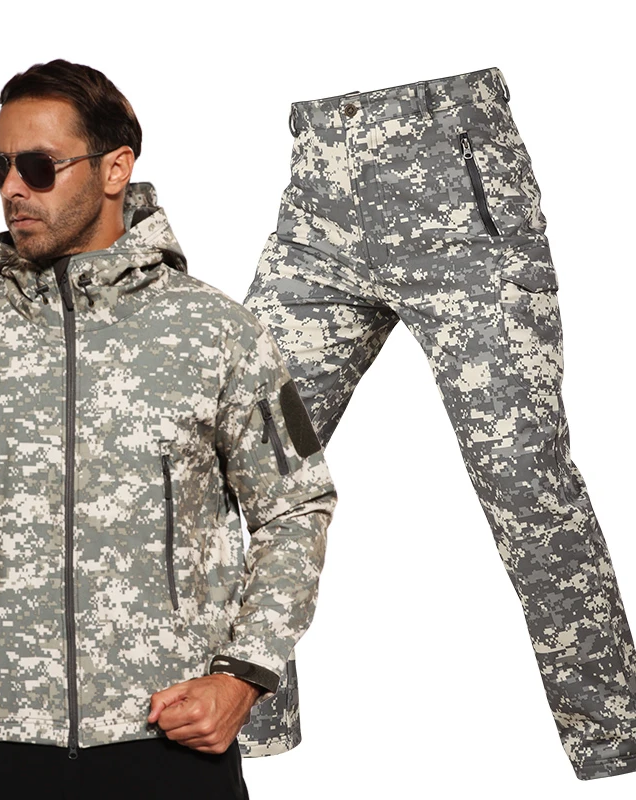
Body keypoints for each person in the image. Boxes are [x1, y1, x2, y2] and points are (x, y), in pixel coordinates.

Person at [0, 59, 337, 800]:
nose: (13, 188)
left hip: (170, 746)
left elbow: (296, 507)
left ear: (115, 169)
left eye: (38, 167)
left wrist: (243, 676)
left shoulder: (218, 331)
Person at [241, 65, 636, 781]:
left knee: (523, 478)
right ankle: (243, 734)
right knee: (233, 454)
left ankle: (617, 739)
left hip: (456, 172)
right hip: (318, 190)